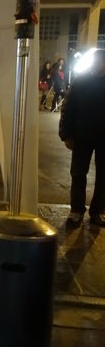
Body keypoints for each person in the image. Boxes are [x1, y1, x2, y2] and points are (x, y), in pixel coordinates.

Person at [59, 49, 105, 227]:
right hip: (82, 135)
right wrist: (65, 134)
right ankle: (76, 210)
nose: (95, 64)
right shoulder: (81, 81)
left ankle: (98, 211)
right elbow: (68, 108)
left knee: (103, 176)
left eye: (99, 61)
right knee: (78, 173)